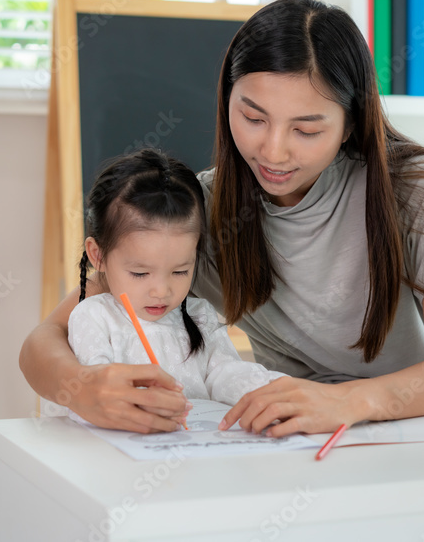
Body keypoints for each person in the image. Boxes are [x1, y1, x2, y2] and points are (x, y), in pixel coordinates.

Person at [20, 0, 424, 436]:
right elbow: (45, 338)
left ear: (350, 122)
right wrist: (81, 388)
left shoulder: (413, 188)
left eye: (306, 130)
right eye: (252, 118)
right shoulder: (202, 210)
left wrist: (345, 401)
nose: (272, 151)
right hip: (299, 436)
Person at [66, 149, 285, 428]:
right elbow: (98, 381)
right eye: (140, 273)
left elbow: (224, 372)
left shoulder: (200, 315)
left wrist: (268, 388)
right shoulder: (93, 317)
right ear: (98, 256)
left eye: (180, 271)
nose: (161, 291)